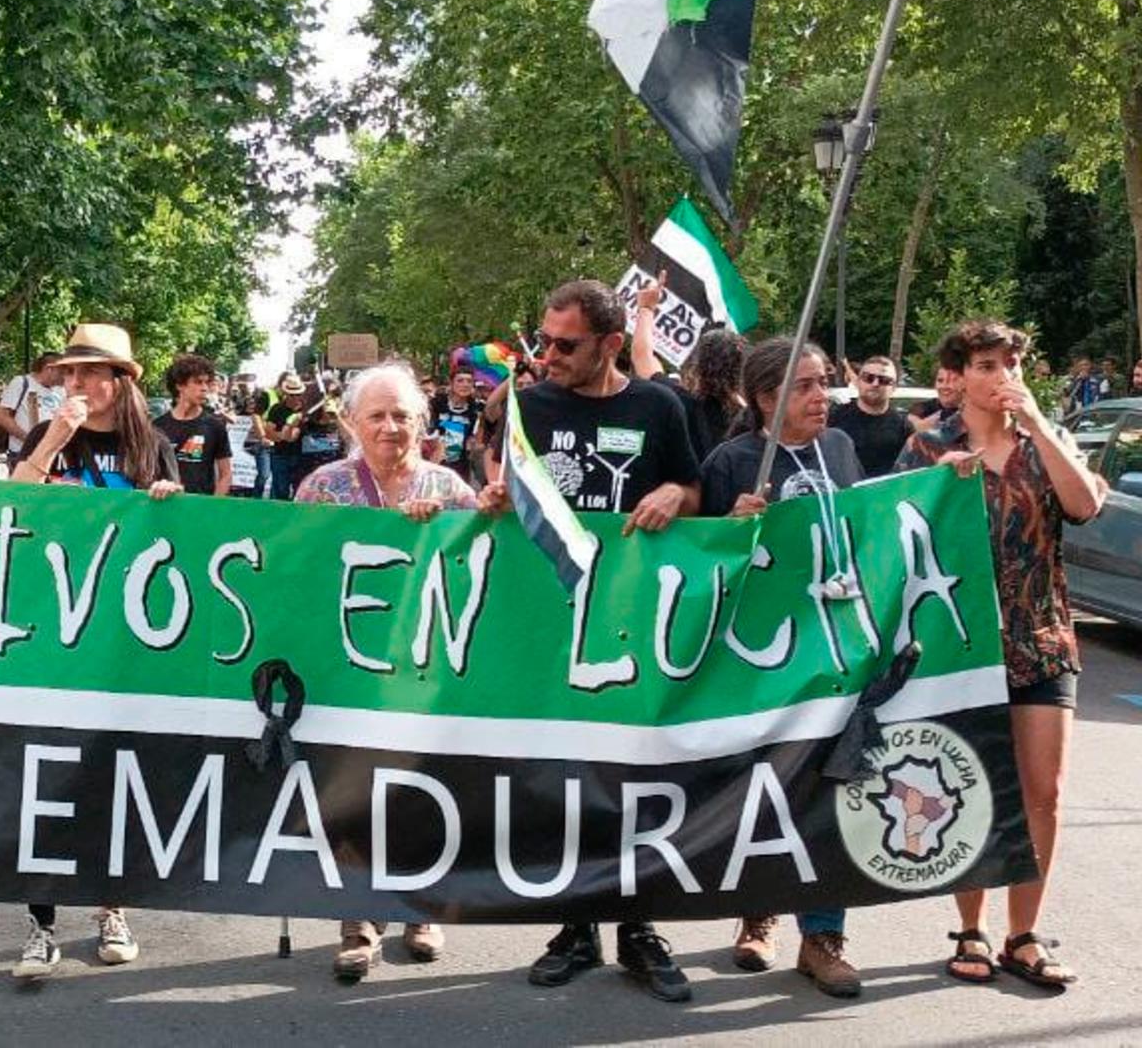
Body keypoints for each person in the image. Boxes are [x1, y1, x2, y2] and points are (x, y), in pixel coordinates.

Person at [476, 280, 701, 1004]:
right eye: (544, 339)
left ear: (611, 344)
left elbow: (696, 489)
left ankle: (640, 927)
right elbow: (502, 487)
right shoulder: (531, 406)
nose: (548, 355)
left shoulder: (659, 406)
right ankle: (575, 927)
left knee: (635, 776)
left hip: (633, 625)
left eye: (565, 344)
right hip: (550, 625)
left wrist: (676, 495)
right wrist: (494, 499)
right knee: (565, 776)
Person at [896, 319, 1107, 990]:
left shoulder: (1047, 439)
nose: (1002, 377)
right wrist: (935, 486)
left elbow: (1084, 506)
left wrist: (1040, 426)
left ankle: (1024, 934)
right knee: (973, 788)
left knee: (1044, 791)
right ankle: (971, 927)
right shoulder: (929, 445)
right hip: (963, 647)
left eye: (1010, 364)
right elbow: (890, 534)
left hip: (1041, 638)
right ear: (960, 376)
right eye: (987, 365)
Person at [696, 338, 866, 998]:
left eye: (824, 383)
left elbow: (872, 525)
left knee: (828, 790)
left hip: (834, 652)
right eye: (805, 386)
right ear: (765, 398)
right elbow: (701, 565)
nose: (823, 397)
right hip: (761, 659)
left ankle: (823, 936)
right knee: (763, 789)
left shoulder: (841, 449)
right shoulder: (731, 461)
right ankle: (757, 912)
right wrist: (731, 527)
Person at [10, 322, 180, 978]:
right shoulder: (46, 436)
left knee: (113, 774)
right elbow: (12, 504)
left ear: (119, 381)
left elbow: (181, 539)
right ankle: (40, 923)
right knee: (46, 775)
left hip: (122, 634)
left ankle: (112, 905)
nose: (75, 383)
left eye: (88, 372)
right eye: (68, 373)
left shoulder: (152, 446)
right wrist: (55, 437)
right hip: (52, 628)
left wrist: (167, 503)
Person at [295, 364, 473, 981]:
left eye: (402, 415)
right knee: (354, 792)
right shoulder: (322, 488)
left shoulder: (449, 489)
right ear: (351, 423)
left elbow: (487, 563)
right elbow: (298, 566)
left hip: (427, 669)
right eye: (377, 415)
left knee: (424, 787)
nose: (390, 427)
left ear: (422, 422)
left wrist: (447, 528)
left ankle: (422, 909)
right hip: (349, 667)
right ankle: (360, 918)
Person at [630, 278, 746, 460]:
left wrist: (646, 308)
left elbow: (642, 357)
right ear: (739, 369)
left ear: (697, 361)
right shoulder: (750, 418)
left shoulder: (677, 398)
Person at [154, 353, 234, 495]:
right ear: (180, 385)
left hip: (201, 505)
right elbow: (148, 472)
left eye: (207, 383)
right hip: (166, 504)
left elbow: (225, 474)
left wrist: (214, 504)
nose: (205, 388)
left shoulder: (215, 426)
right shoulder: (157, 426)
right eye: (198, 382)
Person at [828, 353, 909, 478]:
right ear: (858, 381)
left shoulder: (904, 427)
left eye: (884, 380)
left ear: (894, 387)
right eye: (868, 378)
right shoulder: (833, 417)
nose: (875, 384)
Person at [0, 351, 64, 460]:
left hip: (50, 455)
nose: (64, 377)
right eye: (61, 372)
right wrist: (28, 439)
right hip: (23, 454)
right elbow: (2, 417)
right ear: (49, 369)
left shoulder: (60, 391)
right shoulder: (21, 383)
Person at [428, 365, 483, 483]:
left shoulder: (475, 409)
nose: (465, 385)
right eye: (460, 380)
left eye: (469, 381)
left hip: (460, 466)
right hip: (434, 461)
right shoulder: (436, 403)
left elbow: (475, 437)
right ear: (451, 383)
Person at [265, 373, 309, 500]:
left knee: (300, 493)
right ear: (286, 394)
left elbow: (292, 436)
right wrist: (283, 434)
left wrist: (280, 434)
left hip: (301, 457)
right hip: (280, 455)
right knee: (280, 492)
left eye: (298, 394)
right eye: (292, 395)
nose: (295, 398)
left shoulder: (305, 410)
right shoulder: (277, 409)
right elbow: (268, 432)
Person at [909, 365, 963, 433]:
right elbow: (911, 422)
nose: (944, 386)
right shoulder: (922, 408)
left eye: (953, 381)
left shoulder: (972, 412)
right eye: (940, 380)